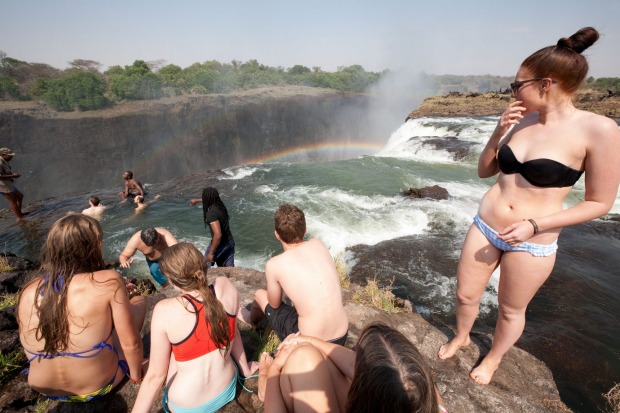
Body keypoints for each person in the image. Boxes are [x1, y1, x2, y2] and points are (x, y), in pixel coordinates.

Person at [437, 27, 620, 385]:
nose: (512, 91)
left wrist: (535, 225)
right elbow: (484, 171)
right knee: (464, 294)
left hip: (533, 239)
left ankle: (493, 358)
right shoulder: (521, 119)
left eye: (517, 84)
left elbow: (600, 203)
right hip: (487, 224)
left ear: (546, 84)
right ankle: (461, 336)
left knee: (509, 310)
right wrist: (497, 132)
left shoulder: (599, 130)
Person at [16, 214, 146, 402]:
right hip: (97, 386)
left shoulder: (29, 290)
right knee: (139, 302)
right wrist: (136, 376)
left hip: (44, 388)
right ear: (93, 246)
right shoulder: (109, 280)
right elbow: (131, 343)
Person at [132, 242, 259, 413]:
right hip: (226, 389)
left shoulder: (165, 310)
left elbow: (156, 376)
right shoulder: (225, 286)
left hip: (185, 406)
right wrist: (246, 368)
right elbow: (233, 331)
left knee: (172, 351)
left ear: (173, 281)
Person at [260, 322, 448, 413]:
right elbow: (352, 363)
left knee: (302, 359)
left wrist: (273, 370)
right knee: (307, 354)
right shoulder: (425, 396)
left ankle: (265, 391)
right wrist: (307, 340)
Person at [240, 204, 349, 345]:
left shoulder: (274, 264)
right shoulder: (318, 243)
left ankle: (250, 319)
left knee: (260, 295)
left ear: (277, 234)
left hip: (310, 342)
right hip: (342, 334)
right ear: (305, 229)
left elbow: (274, 304)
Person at [189, 187, 235, 267]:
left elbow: (218, 235)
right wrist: (197, 200)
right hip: (229, 242)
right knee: (228, 269)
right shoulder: (221, 207)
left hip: (219, 245)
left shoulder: (211, 214)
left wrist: (211, 253)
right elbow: (211, 199)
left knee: (204, 267)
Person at [0, 147, 27, 219]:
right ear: (3, 154)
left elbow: (4, 172)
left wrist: (12, 174)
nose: (11, 157)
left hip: (8, 183)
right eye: (9, 155)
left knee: (20, 196)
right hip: (2, 185)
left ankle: (19, 212)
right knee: (13, 200)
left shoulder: (4, 161)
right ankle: (19, 217)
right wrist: (13, 176)